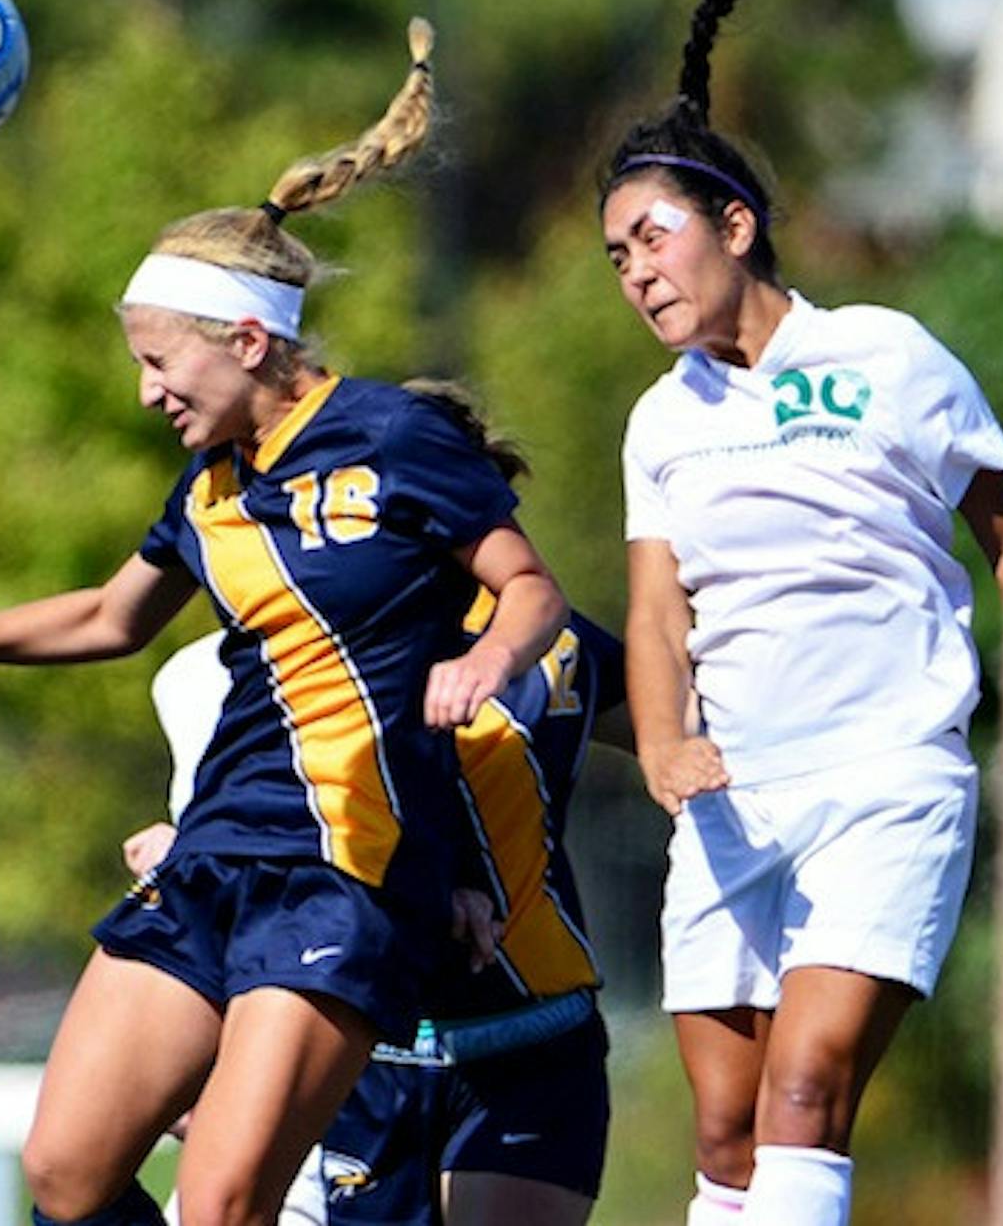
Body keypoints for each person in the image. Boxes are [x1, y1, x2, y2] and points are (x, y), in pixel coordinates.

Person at [0, 20, 571, 1226]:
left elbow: (530, 587)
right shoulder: (211, 486)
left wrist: (482, 656)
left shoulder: (392, 438)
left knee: (220, 1202)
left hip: (346, 875)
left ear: (248, 341)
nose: (147, 390)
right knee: (65, 1169)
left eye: (161, 362)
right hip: (214, 850)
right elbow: (111, 615)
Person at [596, 0, 1003, 1224]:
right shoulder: (659, 422)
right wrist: (662, 744)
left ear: (732, 223)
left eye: (650, 237)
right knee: (722, 1131)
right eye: (614, 256)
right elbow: (658, 611)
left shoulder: (884, 354)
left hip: (884, 773)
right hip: (730, 796)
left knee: (804, 1088)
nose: (635, 272)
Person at [131, 385, 634, 1226]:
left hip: (533, 1036)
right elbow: (252, 849)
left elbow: (678, 736)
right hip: (365, 1043)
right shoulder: (265, 661)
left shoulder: (561, 644)